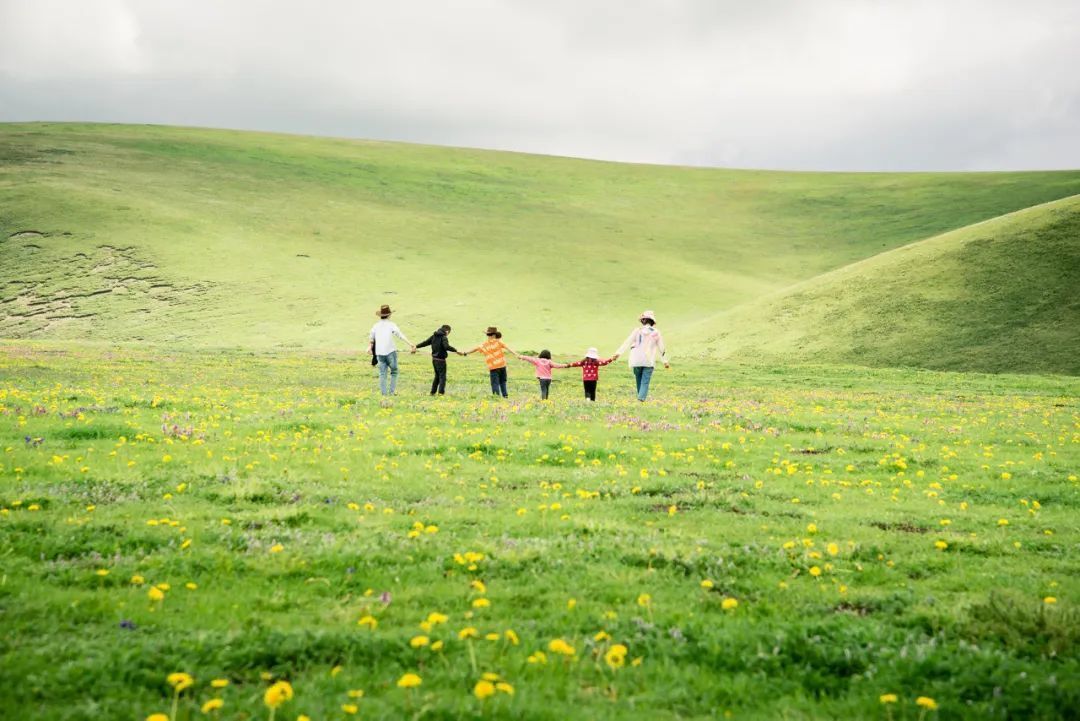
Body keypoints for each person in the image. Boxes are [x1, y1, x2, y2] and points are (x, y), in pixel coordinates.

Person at [616, 310, 669, 401]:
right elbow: (661, 348)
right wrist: (665, 361)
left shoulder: (637, 331)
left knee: (638, 379)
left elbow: (627, 342)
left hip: (636, 359)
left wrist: (618, 353)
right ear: (652, 321)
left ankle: (640, 397)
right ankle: (641, 398)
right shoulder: (656, 332)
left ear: (643, 321)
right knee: (645, 381)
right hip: (649, 360)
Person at [368, 304, 415, 396]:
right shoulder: (391, 325)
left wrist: (369, 347)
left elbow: (371, 338)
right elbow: (400, 335)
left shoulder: (375, 326)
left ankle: (384, 394)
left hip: (379, 353)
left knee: (382, 374)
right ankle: (392, 392)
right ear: (389, 315)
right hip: (390, 352)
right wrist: (411, 344)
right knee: (394, 372)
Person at [461, 327, 516, 398]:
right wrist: (516, 354)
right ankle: (505, 396)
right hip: (502, 365)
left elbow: (475, 349)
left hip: (493, 367)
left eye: (488, 335)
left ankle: (496, 397)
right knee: (503, 381)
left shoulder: (484, 344)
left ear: (490, 335)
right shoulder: (499, 342)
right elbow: (508, 348)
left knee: (494, 383)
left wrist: (465, 353)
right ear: (495, 335)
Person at [415, 324, 457, 396]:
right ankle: (441, 393)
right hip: (441, 360)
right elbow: (446, 346)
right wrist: (456, 350)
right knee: (442, 377)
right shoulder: (444, 337)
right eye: (449, 333)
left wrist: (416, 346)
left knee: (437, 376)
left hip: (434, 360)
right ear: (447, 331)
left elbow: (425, 343)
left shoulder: (434, 336)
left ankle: (432, 392)